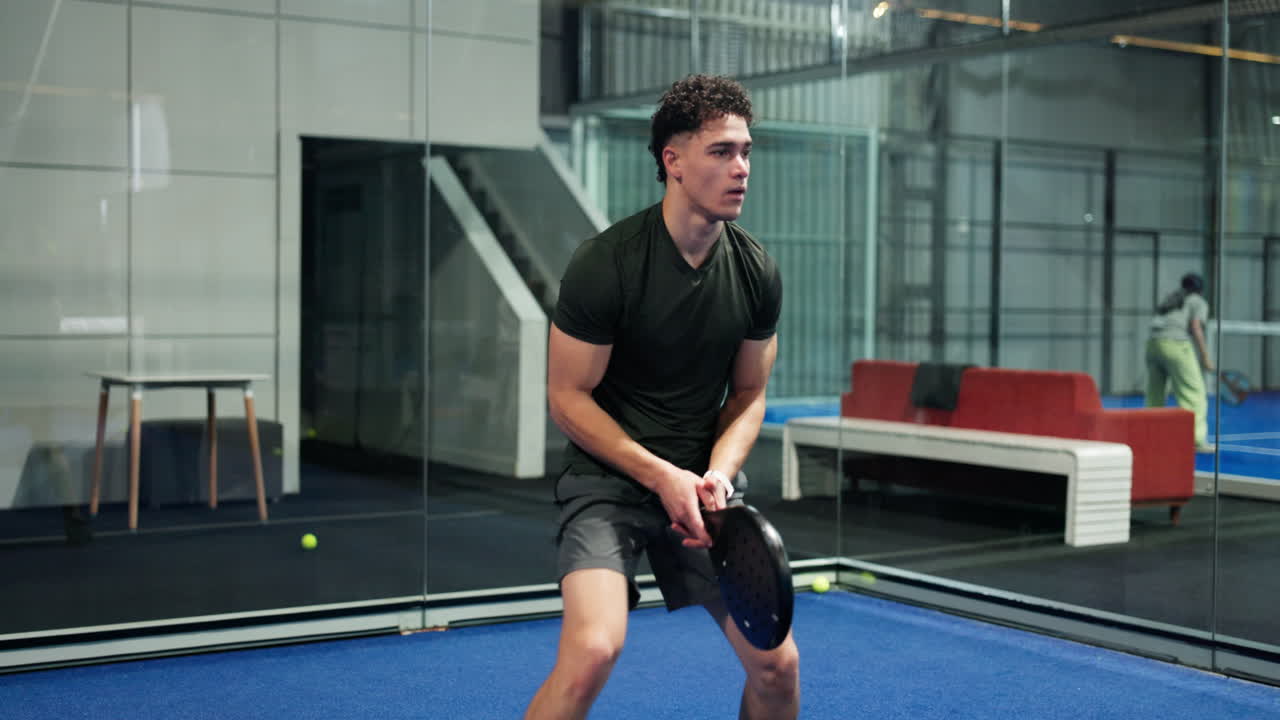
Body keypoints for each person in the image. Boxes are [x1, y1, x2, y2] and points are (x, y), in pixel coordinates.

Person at [524, 74, 799, 720]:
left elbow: (751, 391)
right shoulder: (606, 264)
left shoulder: (756, 271)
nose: (742, 169)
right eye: (722, 152)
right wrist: (659, 474)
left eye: (747, 151)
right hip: (609, 483)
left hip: (702, 493)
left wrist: (716, 476)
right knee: (593, 649)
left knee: (778, 668)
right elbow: (567, 397)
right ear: (672, 161)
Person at [1145, 272, 1215, 453]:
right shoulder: (1198, 301)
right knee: (1194, 393)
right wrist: (1205, 357)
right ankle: (1196, 441)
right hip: (1176, 345)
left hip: (1153, 345)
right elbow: (1196, 327)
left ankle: (1150, 436)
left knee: (1155, 395)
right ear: (1200, 289)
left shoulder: (1171, 299)